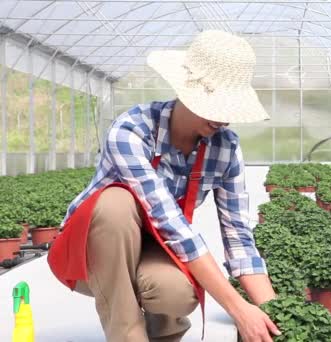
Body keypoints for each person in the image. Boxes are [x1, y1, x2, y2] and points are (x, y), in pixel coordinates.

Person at [47, 30, 281, 342]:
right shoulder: (132, 130)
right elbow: (171, 223)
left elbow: (239, 240)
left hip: (154, 248)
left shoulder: (225, 148)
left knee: (177, 294)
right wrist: (238, 308)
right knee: (115, 204)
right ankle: (127, 335)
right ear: (186, 91)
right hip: (90, 252)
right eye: (216, 103)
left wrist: (279, 316)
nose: (224, 117)